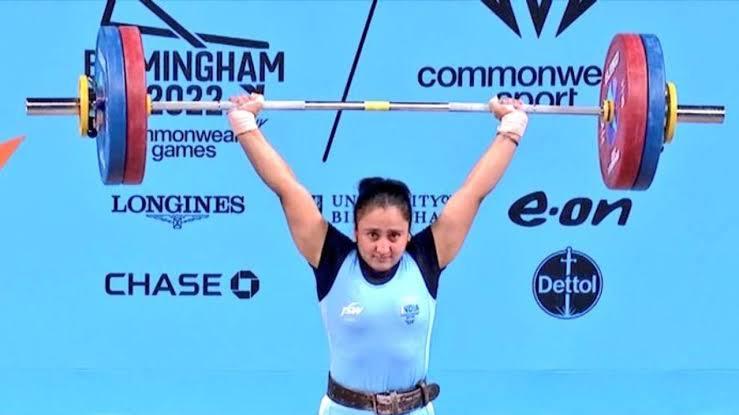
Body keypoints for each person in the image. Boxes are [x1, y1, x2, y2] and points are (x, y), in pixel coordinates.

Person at [226, 93, 528, 415]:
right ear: (356, 231)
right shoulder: (332, 259)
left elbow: (474, 192)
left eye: (394, 236)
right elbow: (287, 188)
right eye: (372, 235)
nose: (383, 248)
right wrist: (245, 123)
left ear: (408, 234)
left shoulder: (425, 258)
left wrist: (511, 126)